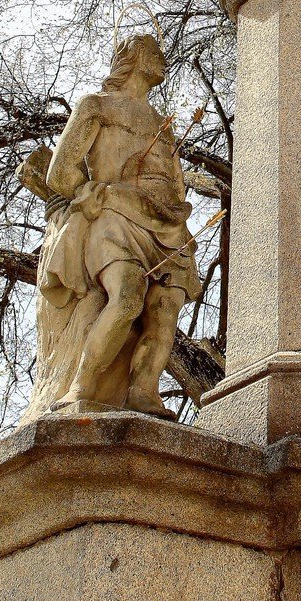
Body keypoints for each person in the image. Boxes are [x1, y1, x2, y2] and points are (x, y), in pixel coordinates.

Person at [37, 34, 202, 419]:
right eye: (153, 51)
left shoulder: (163, 124)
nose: (162, 58)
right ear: (131, 58)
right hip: (116, 215)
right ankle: (83, 386)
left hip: (168, 227)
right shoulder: (96, 107)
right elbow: (59, 171)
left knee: (164, 313)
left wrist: (176, 206)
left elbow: (175, 183)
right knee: (127, 296)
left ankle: (144, 391)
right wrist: (86, 191)